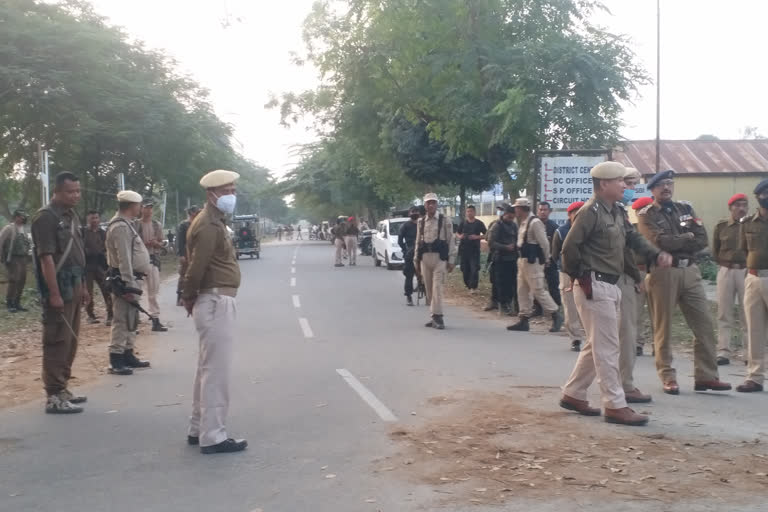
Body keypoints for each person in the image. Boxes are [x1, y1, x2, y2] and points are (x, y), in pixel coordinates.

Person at [559, 162, 673, 426]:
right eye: (620, 181)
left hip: (611, 285)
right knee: (608, 347)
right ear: (603, 185)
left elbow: (633, 239)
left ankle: (573, 393)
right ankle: (614, 404)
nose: (625, 185)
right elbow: (568, 250)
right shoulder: (590, 213)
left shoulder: (617, 212)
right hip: (594, 285)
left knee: (596, 344)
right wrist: (580, 277)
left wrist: (656, 254)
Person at [637, 170, 731, 395]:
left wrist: (681, 241)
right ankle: (668, 376)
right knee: (664, 327)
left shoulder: (686, 209)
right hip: (663, 273)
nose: (667, 188)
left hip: (690, 271)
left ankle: (706, 376)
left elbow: (702, 239)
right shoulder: (646, 214)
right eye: (662, 185)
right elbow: (659, 241)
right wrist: (686, 238)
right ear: (652, 190)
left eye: (670, 184)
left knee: (705, 325)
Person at [182, 169, 247, 454]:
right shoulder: (209, 224)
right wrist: (188, 294)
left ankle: (199, 428)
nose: (232, 195)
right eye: (227, 191)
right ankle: (214, 435)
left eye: (233, 190)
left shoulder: (214, 221)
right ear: (211, 195)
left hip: (214, 299)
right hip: (215, 300)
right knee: (216, 372)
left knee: (206, 369)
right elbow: (196, 266)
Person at [30, 172, 89, 414]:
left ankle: (62, 386)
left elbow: (77, 253)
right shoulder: (45, 218)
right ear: (56, 192)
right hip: (59, 287)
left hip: (75, 283)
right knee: (56, 340)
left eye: (77, 191)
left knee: (71, 340)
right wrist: (53, 294)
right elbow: (46, 259)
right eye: (70, 191)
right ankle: (53, 394)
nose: (75, 195)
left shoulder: (71, 215)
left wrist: (84, 286)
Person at [615, 167, 653, 404]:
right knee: (625, 334)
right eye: (628, 183)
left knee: (613, 335)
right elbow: (624, 251)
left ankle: (577, 390)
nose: (631, 189)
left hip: (619, 278)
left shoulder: (619, 212)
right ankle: (624, 386)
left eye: (635, 184)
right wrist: (637, 277)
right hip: (619, 278)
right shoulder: (607, 212)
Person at [105, 191, 152, 376]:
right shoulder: (120, 227)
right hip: (125, 278)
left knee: (132, 318)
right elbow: (124, 257)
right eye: (139, 205)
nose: (140, 208)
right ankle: (116, 359)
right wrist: (128, 283)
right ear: (132, 206)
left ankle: (127, 353)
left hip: (133, 277)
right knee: (121, 318)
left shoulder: (127, 224)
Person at [507, 198, 563, 333]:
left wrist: (547, 258)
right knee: (522, 290)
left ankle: (555, 314)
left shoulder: (535, 222)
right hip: (523, 260)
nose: (515, 210)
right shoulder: (524, 222)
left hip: (533, 262)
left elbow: (544, 243)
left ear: (522, 208)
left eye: (517, 208)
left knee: (538, 289)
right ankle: (524, 319)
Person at [735, 179, 768, 393]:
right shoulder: (748, 222)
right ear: (758, 198)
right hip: (754, 278)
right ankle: (754, 377)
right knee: (754, 329)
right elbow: (744, 251)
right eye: (762, 195)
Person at [712, 193, 749, 366]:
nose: (741, 208)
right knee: (724, 312)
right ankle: (723, 351)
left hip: (746, 271)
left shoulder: (752, 225)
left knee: (748, 313)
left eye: (744, 205)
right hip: (726, 270)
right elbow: (715, 249)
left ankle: (749, 352)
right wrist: (723, 266)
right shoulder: (722, 226)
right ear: (730, 208)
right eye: (737, 205)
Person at [415, 192, 456, 329]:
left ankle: (438, 317)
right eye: (428, 202)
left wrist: (451, 259)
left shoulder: (445, 220)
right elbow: (417, 242)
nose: (431, 205)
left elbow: (451, 240)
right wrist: (416, 259)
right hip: (425, 258)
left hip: (439, 258)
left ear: (437, 204)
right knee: (429, 290)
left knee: (437, 287)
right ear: (425, 205)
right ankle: (433, 315)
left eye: (433, 202)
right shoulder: (421, 222)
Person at [551, 201, 585, 351]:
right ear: (569, 215)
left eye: (582, 213)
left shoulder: (590, 229)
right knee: (570, 306)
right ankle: (576, 338)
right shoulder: (561, 232)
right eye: (575, 213)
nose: (579, 216)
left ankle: (591, 336)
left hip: (587, 273)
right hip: (566, 273)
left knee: (588, 306)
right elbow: (554, 254)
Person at [135, 202, 167, 332]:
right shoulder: (135, 224)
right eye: (146, 207)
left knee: (153, 292)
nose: (149, 210)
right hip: (138, 262)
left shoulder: (156, 225)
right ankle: (134, 321)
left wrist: (156, 243)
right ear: (141, 208)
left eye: (151, 208)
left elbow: (161, 242)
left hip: (153, 259)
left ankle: (155, 319)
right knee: (135, 292)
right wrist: (142, 244)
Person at [630, 196, 655, 357]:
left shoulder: (658, 228)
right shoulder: (632, 230)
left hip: (656, 272)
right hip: (638, 272)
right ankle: (637, 343)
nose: (642, 213)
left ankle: (657, 344)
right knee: (636, 311)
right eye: (639, 211)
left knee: (657, 312)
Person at [83, 210, 113, 325]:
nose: (95, 220)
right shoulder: (83, 232)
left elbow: (108, 248)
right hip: (87, 266)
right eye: (92, 218)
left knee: (107, 290)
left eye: (96, 218)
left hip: (101, 265)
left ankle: (110, 315)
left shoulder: (103, 233)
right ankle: (90, 315)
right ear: (88, 220)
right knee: (88, 292)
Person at [489, 204, 518, 314]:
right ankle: (502, 305)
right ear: (504, 215)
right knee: (500, 283)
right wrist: (505, 247)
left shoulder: (514, 226)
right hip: (500, 259)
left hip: (512, 259)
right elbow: (491, 242)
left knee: (511, 284)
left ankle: (509, 304)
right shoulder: (497, 226)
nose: (510, 219)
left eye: (512, 217)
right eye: (509, 217)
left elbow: (517, 238)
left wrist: (515, 245)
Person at [1, 209, 30, 312]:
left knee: (22, 280)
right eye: (22, 216)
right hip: (13, 258)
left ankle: (17, 303)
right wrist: (2, 258)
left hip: (23, 258)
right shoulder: (9, 228)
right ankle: (10, 303)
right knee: (14, 280)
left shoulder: (24, 229)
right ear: (16, 217)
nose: (24, 218)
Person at [536, 201, 561, 310]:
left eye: (545, 210)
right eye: (540, 210)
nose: (543, 212)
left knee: (553, 286)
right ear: (537, 211)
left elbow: (558, 246)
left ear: (549, 211)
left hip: (551, 262)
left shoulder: (554, 227)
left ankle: (556, 309)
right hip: (536, 261)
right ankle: (537, 309)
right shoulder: (533, 225)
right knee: (537, 286)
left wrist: (551, 259)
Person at [456, 205, 487, 292]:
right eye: (468, 211)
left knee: (474, 268)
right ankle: (469, 285)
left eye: (471, 211)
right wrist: (460, 236)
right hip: (463, 249)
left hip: (474, 250)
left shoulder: (479, 223)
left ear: (474, 212)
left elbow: (487, 235)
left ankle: (473, 287)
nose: (469, 213)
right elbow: (457, 233)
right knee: (464, 269)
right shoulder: (463, 223)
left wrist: (477, 237)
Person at [483, 204, 506, 312]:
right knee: (494, 279)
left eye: (501, 210)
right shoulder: (494, 223)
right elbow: (487, 237)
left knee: (504, 281)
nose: (499, 212)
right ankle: (494, 301)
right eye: (499, 210)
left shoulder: (512, 224)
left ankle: (504, 303)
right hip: (494, 255)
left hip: (506, 257)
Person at [176, 206, 201, 306]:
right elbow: (180, 241)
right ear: (191, 213)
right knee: (184, 275)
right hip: (186, 252)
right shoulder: (184, 225)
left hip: (196, 252)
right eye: (196, 212)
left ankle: (194, 296)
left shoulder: (198, 224)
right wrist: (181, 255)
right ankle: (180, 297)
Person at [398, 206, 420, 306]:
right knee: (409, 275)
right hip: (410, 252)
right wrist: (405, 250)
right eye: (413, 212)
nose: (414, 213)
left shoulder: (422, 224)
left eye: (416, 212)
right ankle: (408, 296)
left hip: (422, 251)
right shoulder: (405, 226)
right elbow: (400, 241)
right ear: (409, 214)